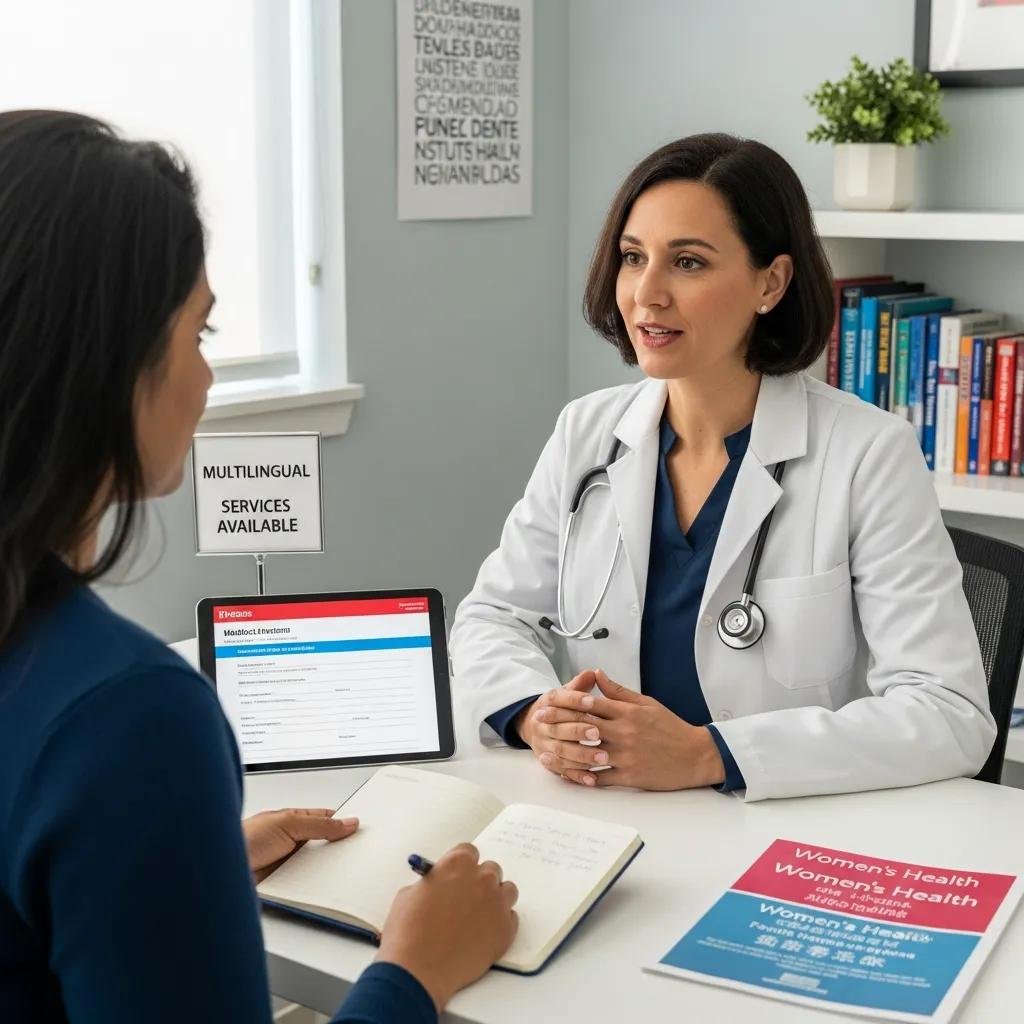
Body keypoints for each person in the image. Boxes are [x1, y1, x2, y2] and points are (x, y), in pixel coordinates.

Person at [0, 110, 517, 1024]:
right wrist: (413, 975)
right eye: (201, 333)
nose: (206, 378)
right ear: (105, 357)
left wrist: (175, 862)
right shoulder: (128, 717)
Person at [451, 132, 996, 803]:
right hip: (609, 809)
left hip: (784, 825)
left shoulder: (867, 455)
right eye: (632, 258)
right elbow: (492, 617)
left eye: (686, 262)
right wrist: (533, 715)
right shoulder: (587, 433)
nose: (646, 295)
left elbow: (949, 713)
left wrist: (710, 753)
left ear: (771, 282)